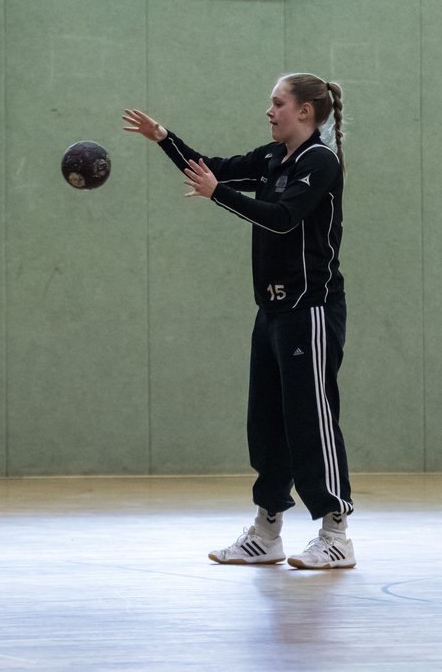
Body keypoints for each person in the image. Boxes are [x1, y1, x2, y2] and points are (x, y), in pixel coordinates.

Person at [123, 72, 355, 570]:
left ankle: (335, 533)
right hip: (270, 311)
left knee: (311, 420)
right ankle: (266, 532)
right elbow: (213, 169)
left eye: (277, 103)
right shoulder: (272, 158)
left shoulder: (320, 161)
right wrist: (164, 138)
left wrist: (217, 196)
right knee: (266, 423)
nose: (269, 112)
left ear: (305, 112)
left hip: (309, 310)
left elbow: (280, 217)